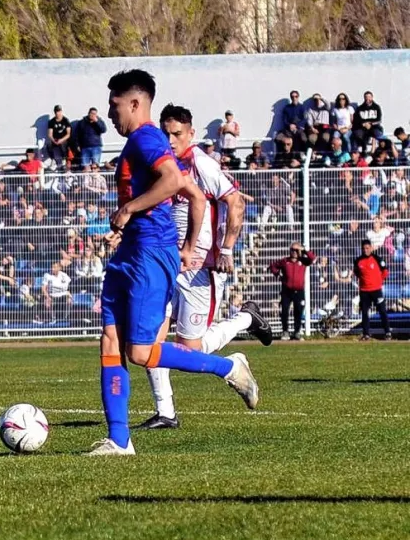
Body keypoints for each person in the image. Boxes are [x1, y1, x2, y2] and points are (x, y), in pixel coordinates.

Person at [89, 69, 257, 457]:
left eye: (115, 105)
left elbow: (172, 181)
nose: (110, 114)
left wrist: (130, 209)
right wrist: (185, 246)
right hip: (132, 251)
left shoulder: (146, 138)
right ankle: (119, 441)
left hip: (150, 252)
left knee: (141, 353)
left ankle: (229, 368)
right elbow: (193, 195)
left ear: (135, 103)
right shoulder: (141, 142)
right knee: (110, 340)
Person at [137, 104, 274, 431]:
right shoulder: (162, 164)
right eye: (166, 133)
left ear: (191, 134)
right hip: (167, 264)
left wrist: (226, 249)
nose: (171, 140)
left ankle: (246, 319)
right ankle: (165, 412)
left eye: (177, 134)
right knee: (150, 340)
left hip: (201, 268)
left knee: (190, 349)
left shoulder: (201, 163)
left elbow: (235, 201)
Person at [269, 242, 315, 341]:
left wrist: (304, 250)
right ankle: (285, 331)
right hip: (287, 291)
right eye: (292, 250)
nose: (294, 252)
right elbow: (273, 266)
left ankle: (297, 332)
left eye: (296, 250)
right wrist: (278, 275)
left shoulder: (303, 261)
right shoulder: (285, 261)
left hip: (299, 291)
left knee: (298, 311)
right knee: (285, 311)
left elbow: (312, 258)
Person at [353, 239, 391, 341]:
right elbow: (357, 273)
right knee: (365, 313)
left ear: (371, 248)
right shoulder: (358, 261)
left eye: (367, 248)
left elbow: (385, 271)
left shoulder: (377, 259)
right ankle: (366, 334)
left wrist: (378, 282)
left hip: (376, 290)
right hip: (364, 291)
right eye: (364, 248)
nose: (365, 250)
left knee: (382, 311)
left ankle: (387, 332)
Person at [46, 105, 71, 169]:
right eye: (57, 112)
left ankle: (64, 158)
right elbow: (50, 134)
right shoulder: (51, 122)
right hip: (55, 139)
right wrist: (54, 140)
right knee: (48, 145)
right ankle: (53, 159)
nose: (58, 113)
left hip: (64, 139)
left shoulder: (66, 120)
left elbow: (68, 134)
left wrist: (61, 140)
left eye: (59, 111)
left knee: (63, 144)